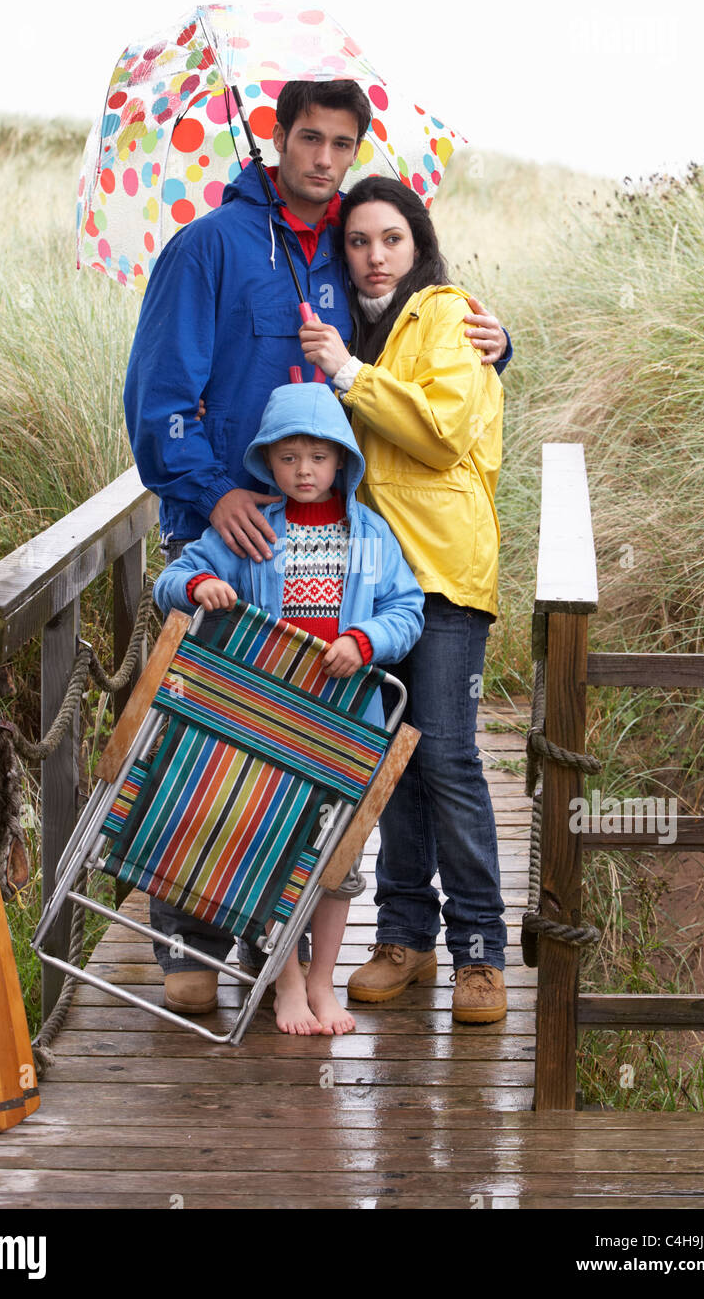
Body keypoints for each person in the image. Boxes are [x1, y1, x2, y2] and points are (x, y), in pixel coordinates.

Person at [124, 77, 512, 1014]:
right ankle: (190, 942)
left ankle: (320, 944)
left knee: (307, 757)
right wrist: (212, 497)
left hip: (335, 549)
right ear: (276, 138)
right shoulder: (207, 247)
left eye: (342, 143)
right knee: (213, 742)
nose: (325, 159)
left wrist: (501, 346)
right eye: (310, 139)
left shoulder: (346, 250)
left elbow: (414, 335)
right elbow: (157, 401)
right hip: (234, 538)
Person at [297, 174, 507, 1024]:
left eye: (390, 238)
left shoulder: (448, 314)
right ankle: (404, 938)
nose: (374, 255)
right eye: (357, 241)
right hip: (374, 581)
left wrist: (346, 370)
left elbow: (439, 430)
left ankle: (482, 950)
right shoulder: (357, 326)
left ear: (416, 242)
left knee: (448, 754)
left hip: (443, 573)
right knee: (394, 756)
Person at [152, 378, 425, 1032]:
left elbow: (407, 609)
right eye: (289, 458)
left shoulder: (370, 535)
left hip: (344, 727)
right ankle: (287, 982)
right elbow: (169, 580)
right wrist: (203, 582)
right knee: (271, 853)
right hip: (265, 725)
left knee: (336, 861)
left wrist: (364, 642)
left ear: (342, 462)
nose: (305, 471)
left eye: (320, 457)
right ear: (268, 462)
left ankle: (324, 982)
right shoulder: (252, 531)